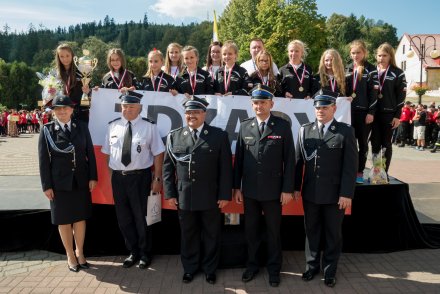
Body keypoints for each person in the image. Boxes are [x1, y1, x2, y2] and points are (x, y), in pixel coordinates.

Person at [163, 96, 233, 285]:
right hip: (185, 196)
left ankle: (210, 269)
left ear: (205, 114)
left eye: (195, 112)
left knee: (211, 234)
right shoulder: (174, 136)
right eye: (188, 112)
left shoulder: (219, 136)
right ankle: (190, 268)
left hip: (211, 195)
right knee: (188, 234)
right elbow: (168, 168)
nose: (191, 116)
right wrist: (169, 193)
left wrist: (225, 194)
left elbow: (226, 169)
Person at [233, 84, 296, 287]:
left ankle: (274, 269)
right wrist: (236, 187)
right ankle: (252, 266)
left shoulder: (282, 126)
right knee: (250, 231)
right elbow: (239, 162)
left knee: (273, 232)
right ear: (252, 105)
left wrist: (287, 189)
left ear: (271, 103)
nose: (259, 106)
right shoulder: (244, 126)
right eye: (256, 103)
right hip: (250, 191)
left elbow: (290, 160)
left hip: (273, 191)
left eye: (263, 102)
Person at [294, 91, 358, 288]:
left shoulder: (345, 131)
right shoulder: (305, 130)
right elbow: (298, 162)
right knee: (311, 231)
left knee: (332, 233)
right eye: (318, 107)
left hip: (334, 194)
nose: (320, 110)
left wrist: (346, 193)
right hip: (311, 192)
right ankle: (311, 266)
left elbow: (350, 166)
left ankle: (329, 270)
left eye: (325, 107)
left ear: (334, 109)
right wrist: (296, 187)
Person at [101, 93, 164, 269]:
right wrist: (112, 176)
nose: (127, 110)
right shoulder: (112, 126)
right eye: (125, 106)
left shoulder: (149, 127)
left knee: (141, 217)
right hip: (119, 179)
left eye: (132, 107)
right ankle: (132, 251)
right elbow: (107, 154)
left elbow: (159, 152)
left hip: (140, 178)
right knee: (124, 219)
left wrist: (157, 178)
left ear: (140, 108)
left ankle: (145, 253)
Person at [38, 95, 97, 272]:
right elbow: (43, 160)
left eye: (65, 108)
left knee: (80, 218)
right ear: (53, 111)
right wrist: (46, 185)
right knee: (63, 220)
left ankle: (80, 252)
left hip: (80, 180)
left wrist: (93, 176)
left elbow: (90, 153)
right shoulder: (47, 130)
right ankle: (70, 255)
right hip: (59, 183)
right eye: (58, 109)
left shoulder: (82, 127)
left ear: (72, 110)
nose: (62, 111)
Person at [345, 40, 378, 183]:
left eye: (358, 52)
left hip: (364, 113)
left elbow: (374, 93)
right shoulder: (347, 68)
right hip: (348, 112)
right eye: (353, 53)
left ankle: (359, 171)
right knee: (348, 143)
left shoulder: (371, 69)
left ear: (364, 53)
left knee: (363, 144)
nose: (355, 55)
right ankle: (348, 170)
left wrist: (371, 112)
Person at [371, 43, 406, 173]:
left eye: (384, 55)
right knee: (375, 144)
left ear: (390, 56)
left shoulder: (398, 73)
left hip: (389, 114)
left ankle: (383, 172)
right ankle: (376, 171)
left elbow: (401, 96)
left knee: (386, 144)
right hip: (373, 113)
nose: (381, 58)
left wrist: (397, 115)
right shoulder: (372, 71)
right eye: (379, 55)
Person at [55, 43, 90, 123]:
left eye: (67, 55)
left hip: (79, 113)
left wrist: (88, 91)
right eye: (62, 56)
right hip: (62, 113)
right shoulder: (56, 75)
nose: (65, 59)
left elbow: (89, 92)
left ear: (72, 56)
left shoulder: (82, 71)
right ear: (58, 58)